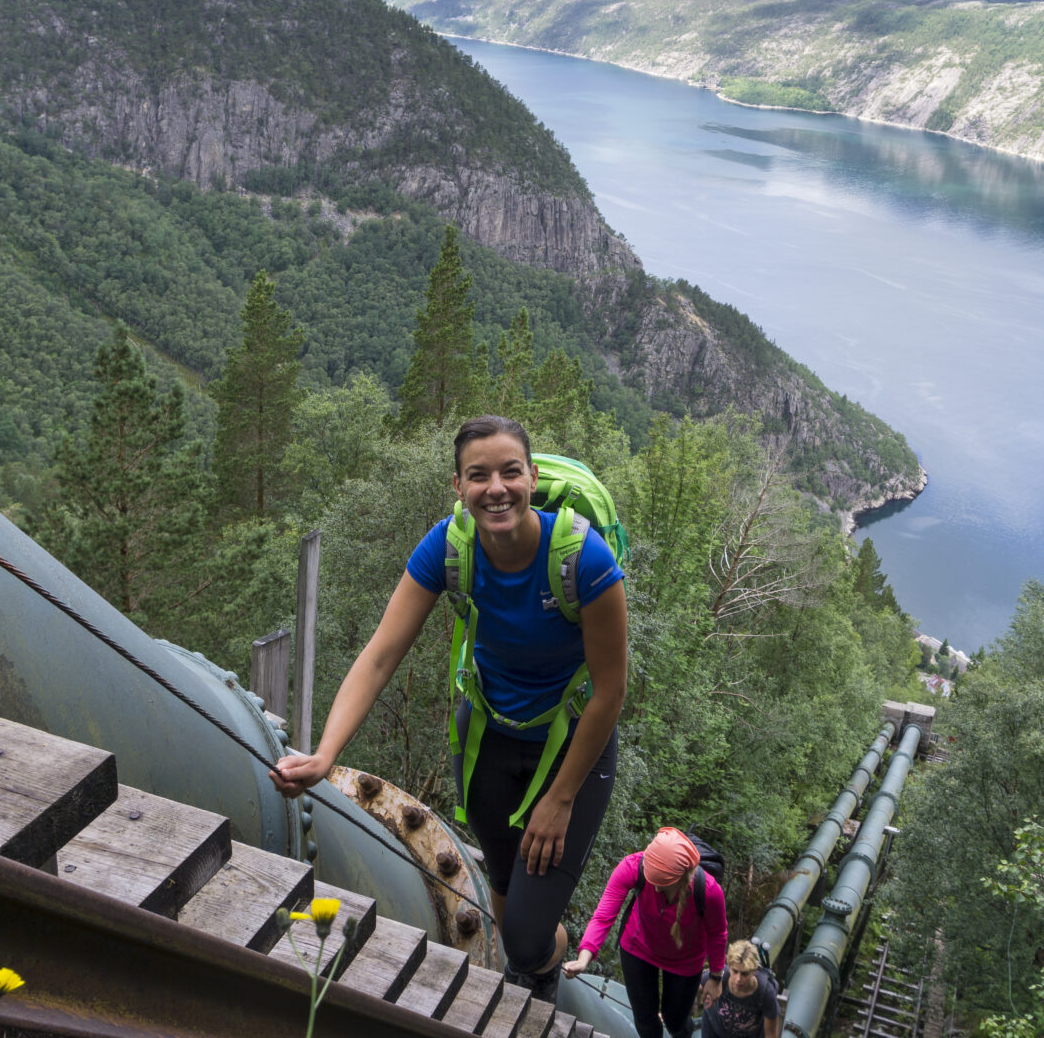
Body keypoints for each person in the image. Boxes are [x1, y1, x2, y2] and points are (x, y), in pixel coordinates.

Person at [270, 415, 629, 1002]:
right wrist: (325, 755)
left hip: (573, 751)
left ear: (532, 478)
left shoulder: (582, 560)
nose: (497, 488)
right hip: (488, 739)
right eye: (478, 475)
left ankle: (540, 969)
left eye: (511, 472)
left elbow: (611, 692)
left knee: (528, 935)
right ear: (457, 487)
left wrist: (560, 799)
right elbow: (381, 656)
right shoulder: (449, 547)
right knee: (507, 892)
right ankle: (523, 963)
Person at [567, 827, 729, 1038]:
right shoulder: (633, 866)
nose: (652, 887)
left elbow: (718, 933)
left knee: (676, 1021)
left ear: (678, 879)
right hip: (638, 948)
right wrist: (583, 958)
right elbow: (603, 915)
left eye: (659, 884)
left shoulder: (708, 891)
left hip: (686, 961)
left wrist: (716, 977)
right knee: (645, 1021)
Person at [701, 941, 780, 1038]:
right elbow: (689, 989)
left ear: (754, 970)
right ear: (729, 966)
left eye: (744, 974)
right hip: (713, 1030)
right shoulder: (718, 978)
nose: (738, 979)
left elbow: (771, 1033)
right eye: (735, 971)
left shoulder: (765, 992)